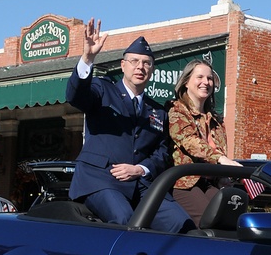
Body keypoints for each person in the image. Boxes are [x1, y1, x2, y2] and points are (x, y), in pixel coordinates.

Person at [65, 18, 190, 232]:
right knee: (125, 221)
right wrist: (88, 58)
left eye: (146, 63)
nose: (140, 67)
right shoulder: (103, 90)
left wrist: (140, 169)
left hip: (140, 184)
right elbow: (75, 96)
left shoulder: (158, 110)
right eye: (134, 61)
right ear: (123, 65)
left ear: (152, 70)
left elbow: (162, 152)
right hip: (100, 180)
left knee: (181, 223)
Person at [167, 58, 241, 222]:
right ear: (186, 82)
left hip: (210, 182)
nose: (206, 82)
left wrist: (224, 176)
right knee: (208, 218)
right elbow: (189, 141)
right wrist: (220, 159)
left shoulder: (215, 120)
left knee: (231, 217)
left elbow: (222, 151)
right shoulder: (176, 110)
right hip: (184, 183)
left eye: (209, 78)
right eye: (199, 77)